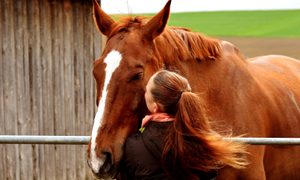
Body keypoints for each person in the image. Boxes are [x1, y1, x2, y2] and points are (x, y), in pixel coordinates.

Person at [120, 70, 248, 180]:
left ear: (155, 107)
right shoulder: (204, 143)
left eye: (146, 91)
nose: (144, 93)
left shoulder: (133, 146)